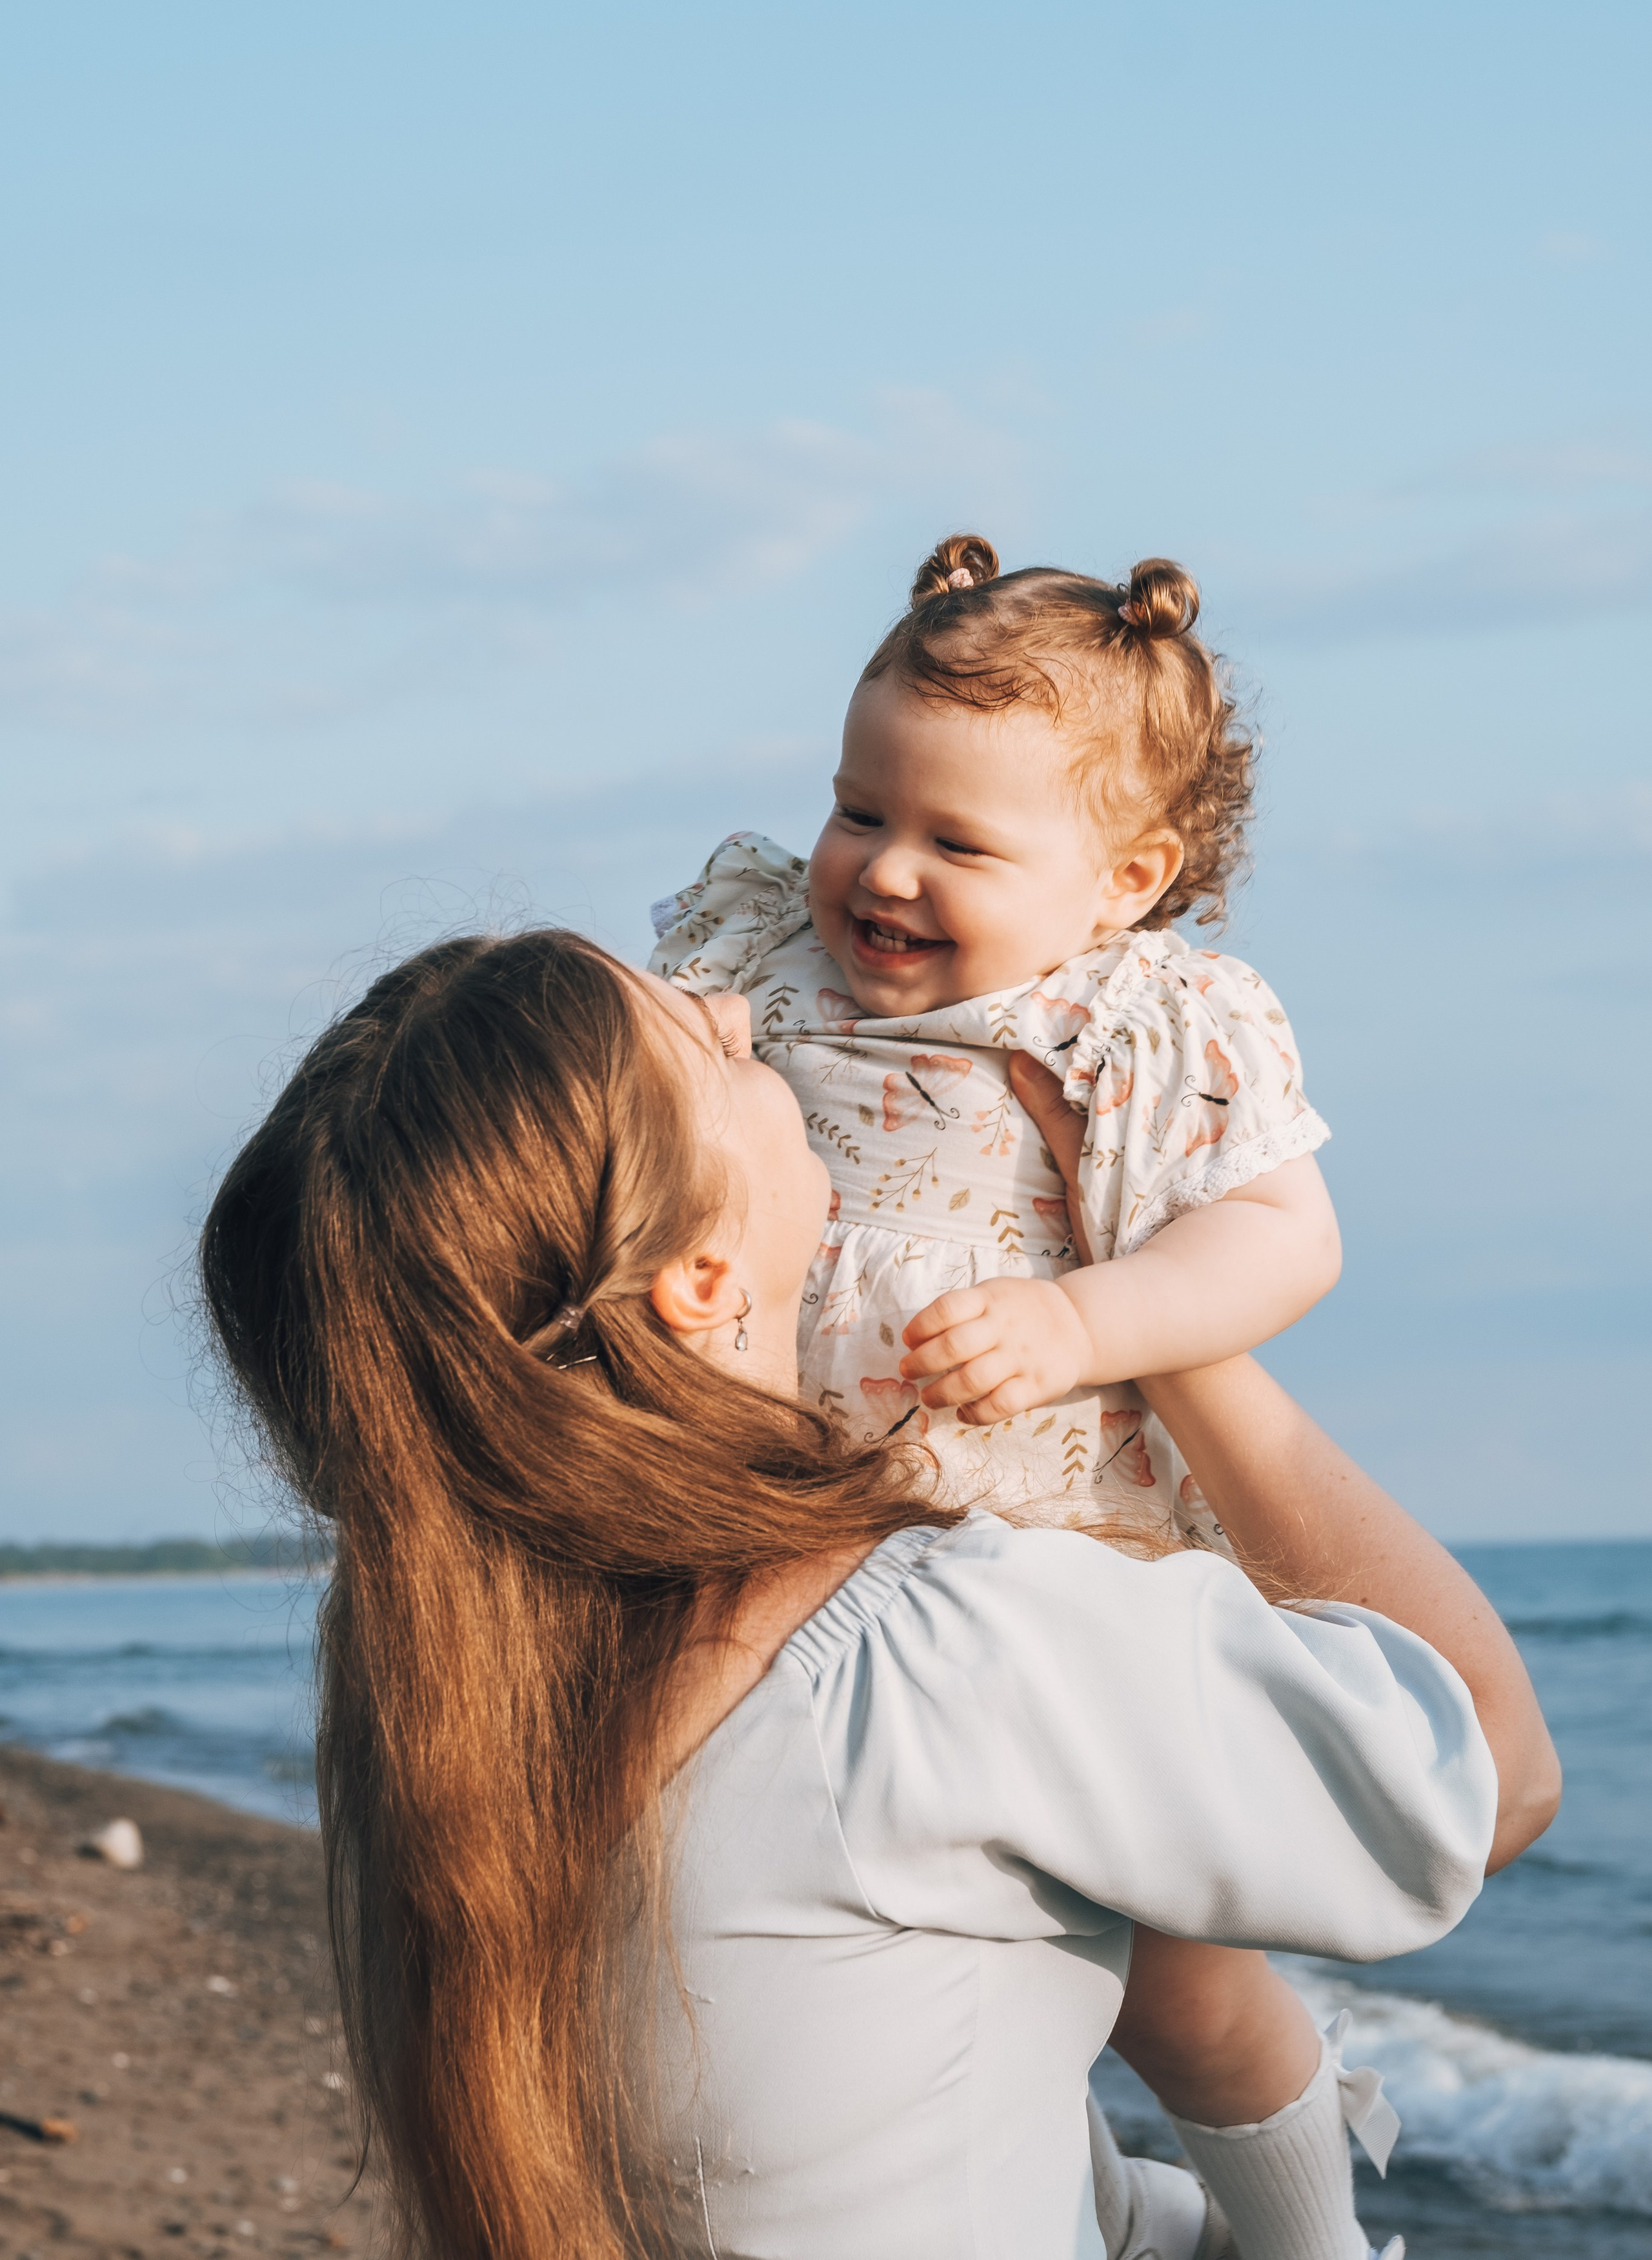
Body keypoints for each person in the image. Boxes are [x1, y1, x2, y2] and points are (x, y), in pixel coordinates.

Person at [199, 930, 1558, 2260]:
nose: (745, 1011)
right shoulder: (912, 1659)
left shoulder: (437, 1730)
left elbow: (900, 2137)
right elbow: (1490, 1778)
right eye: (709, 1051)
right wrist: (1151, 1307)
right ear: (701, 1279)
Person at [645, 532, 1355, 2249]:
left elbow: (1283, 1240)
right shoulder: (766, 959)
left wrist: (1084, 1320)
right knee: (933, 1964)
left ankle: (1303, 2235)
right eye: (857, 809)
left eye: (958, 843)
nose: (883, 871)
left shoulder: (1141, 1021)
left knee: (1181, 1984)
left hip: (1058, 1565)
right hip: (808, 1562)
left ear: (1125, 879)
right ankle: (1092, 2213)